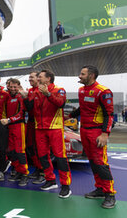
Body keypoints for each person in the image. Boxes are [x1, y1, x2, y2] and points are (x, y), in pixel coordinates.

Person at [69, 65, 116, 208]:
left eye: (82, 74)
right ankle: (100, 189)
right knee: (93, 162)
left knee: (100, 163)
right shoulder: (81, 90)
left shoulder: (103, 91)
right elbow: (81, 109)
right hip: (84, 130)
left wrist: (104, 134)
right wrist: (69, 116)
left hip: (97, 132)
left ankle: (110, 194)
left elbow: (109, 115)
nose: (79, 76)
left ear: (92, 75)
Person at [25, 69, 72, 198]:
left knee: (60, 157)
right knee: (43, 156)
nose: (38, 79)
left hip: (55, 128)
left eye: (40, 77)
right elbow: (30, 109)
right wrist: (25, 98)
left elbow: (61, 104)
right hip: (39, 128)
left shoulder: (59, 89)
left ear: (48, 79)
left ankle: (66, 186)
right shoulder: (35, 92)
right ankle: (50, 180)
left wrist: (47, 94)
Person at [1, 78, 29, 186]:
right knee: (11, 152)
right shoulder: (7, 96)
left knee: (20, 151)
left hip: (19, 126)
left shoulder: (20, 97)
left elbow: (21, 113)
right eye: (11, 87)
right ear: (8, 86)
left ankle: (25, 174)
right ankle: (18, 171)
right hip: (9, 126)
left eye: (15, 87)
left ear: (18, 87)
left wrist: (9, 120)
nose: (12, 89)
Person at [20, 72, 45, 184]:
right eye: (29, 77)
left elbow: (33, 106)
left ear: (39, 79)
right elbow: (27, 107)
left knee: (40, 148)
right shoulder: (30, 91)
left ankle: (43, 172)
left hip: (40, 123)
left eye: (32, 77)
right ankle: (37, 168)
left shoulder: (43, 90)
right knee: (30, 147)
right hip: (30, 122)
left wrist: (25, 98)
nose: (30, 79)